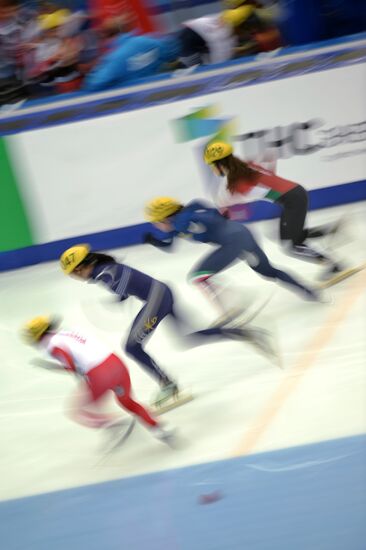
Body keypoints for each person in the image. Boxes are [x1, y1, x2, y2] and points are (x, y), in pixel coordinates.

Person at [59, 245, 271, 405]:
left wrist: (114, 301)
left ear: (80, 268)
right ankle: (243, 333)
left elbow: (122, 284)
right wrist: (118, 298)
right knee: (189, 337)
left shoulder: (104, 273)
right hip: (161, 293)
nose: (74, 278)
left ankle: (167, 385)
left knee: (132, 347)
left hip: (156, 299)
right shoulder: (103, 271)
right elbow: (125, 283)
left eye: (72, 274)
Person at [144, 197, 320, 316]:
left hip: (233, 242)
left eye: (156, 222)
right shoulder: (179, 223)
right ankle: (308, 291)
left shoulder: (182, 222)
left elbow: (205, 216)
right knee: (268, 272)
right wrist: (154, 241)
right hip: (243, 234)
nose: (155, 226)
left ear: (166, 218)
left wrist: (214, 217)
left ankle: (233, 306)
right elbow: (170, 245)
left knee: (197, 276)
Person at [21, 315, 175, 445]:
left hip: (99, 373)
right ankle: (159, 429)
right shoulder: (65, 333)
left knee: (77, 411)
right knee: (128, 402)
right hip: (116, 364)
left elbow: (71, 366)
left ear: (37, 336)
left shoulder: (50, 345)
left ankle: (113, 424)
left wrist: (51, 367)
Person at [203, 141, 345, 281]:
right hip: (295, 194)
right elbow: (269, 163)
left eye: (211, 166)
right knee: (289, 235)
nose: (212, 170)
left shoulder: (237, 182)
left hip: (292, 200)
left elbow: (237, 205)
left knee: (290, 246)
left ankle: (333, 265)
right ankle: (328, 231)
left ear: (220, 164)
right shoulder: (246, 166)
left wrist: (224, 213)